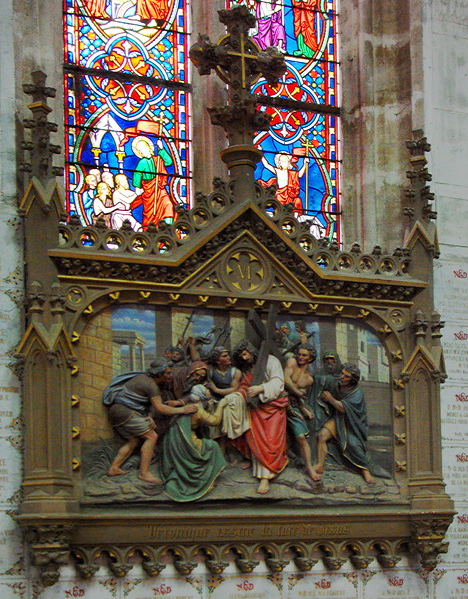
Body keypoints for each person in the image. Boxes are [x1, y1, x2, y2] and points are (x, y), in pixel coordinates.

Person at [102, 359, 197, 484]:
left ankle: (114, 468)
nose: (170, 376)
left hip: (117, 412)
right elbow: (160, 408)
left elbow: (140, 402)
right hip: (125, 412)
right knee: (152, 436)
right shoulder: (150, 385)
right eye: (168, 373)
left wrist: (148, 416)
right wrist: (183, 409)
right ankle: (144, 473)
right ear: (159, 373)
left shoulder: (142, 378)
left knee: (134, 441)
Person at [222, 340, 288, 495]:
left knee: (270, 441)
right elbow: (245, 386)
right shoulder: (247, 368)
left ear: (251, 350)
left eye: (245, 353)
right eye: (241, 356)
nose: (244, 358)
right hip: (255, 408)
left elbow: (278, 382)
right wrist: (238, 394)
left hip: (273, 406)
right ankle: (254, 460)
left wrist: (261, 388)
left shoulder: (271, 361)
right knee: (253, 437)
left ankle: (266, 476)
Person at [310, 363, 375, 484]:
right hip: (339, 420)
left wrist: (330, 399)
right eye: (342, 373)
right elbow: (322, 379)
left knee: (353, 444)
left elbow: (343, 408)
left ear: (352, 380)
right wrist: (309, 375)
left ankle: (366, 471)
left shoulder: (357, 392)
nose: (341, 377)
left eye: (346, 376)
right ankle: (320, 465)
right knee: (322, 436)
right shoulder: (337, 382)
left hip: (353, 424)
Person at [284, 344, 316, 481]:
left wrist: (304, 409)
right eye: (299, 354)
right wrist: (296, 391)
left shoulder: (309, 379)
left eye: (304, 355)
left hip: (292, 406)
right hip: (278, 402)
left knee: (302, 437)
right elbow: (285, 380)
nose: (300, 357)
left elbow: (300, 397)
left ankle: (309, 468)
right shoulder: (291, 362)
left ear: (310, 359)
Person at [131, 136, 175, 229]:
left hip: (159, 188)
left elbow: (168, 162)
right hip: (149, 192)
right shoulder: (142, 162)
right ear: (139, 152)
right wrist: (137, 187)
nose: (143, 151)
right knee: (150, 214)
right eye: (140, 150)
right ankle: (151, 230)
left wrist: (162, 149)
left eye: (144, 148)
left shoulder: (157, 159)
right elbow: (137, 175)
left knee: (168, 204)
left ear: (149, 147)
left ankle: (168, 228)